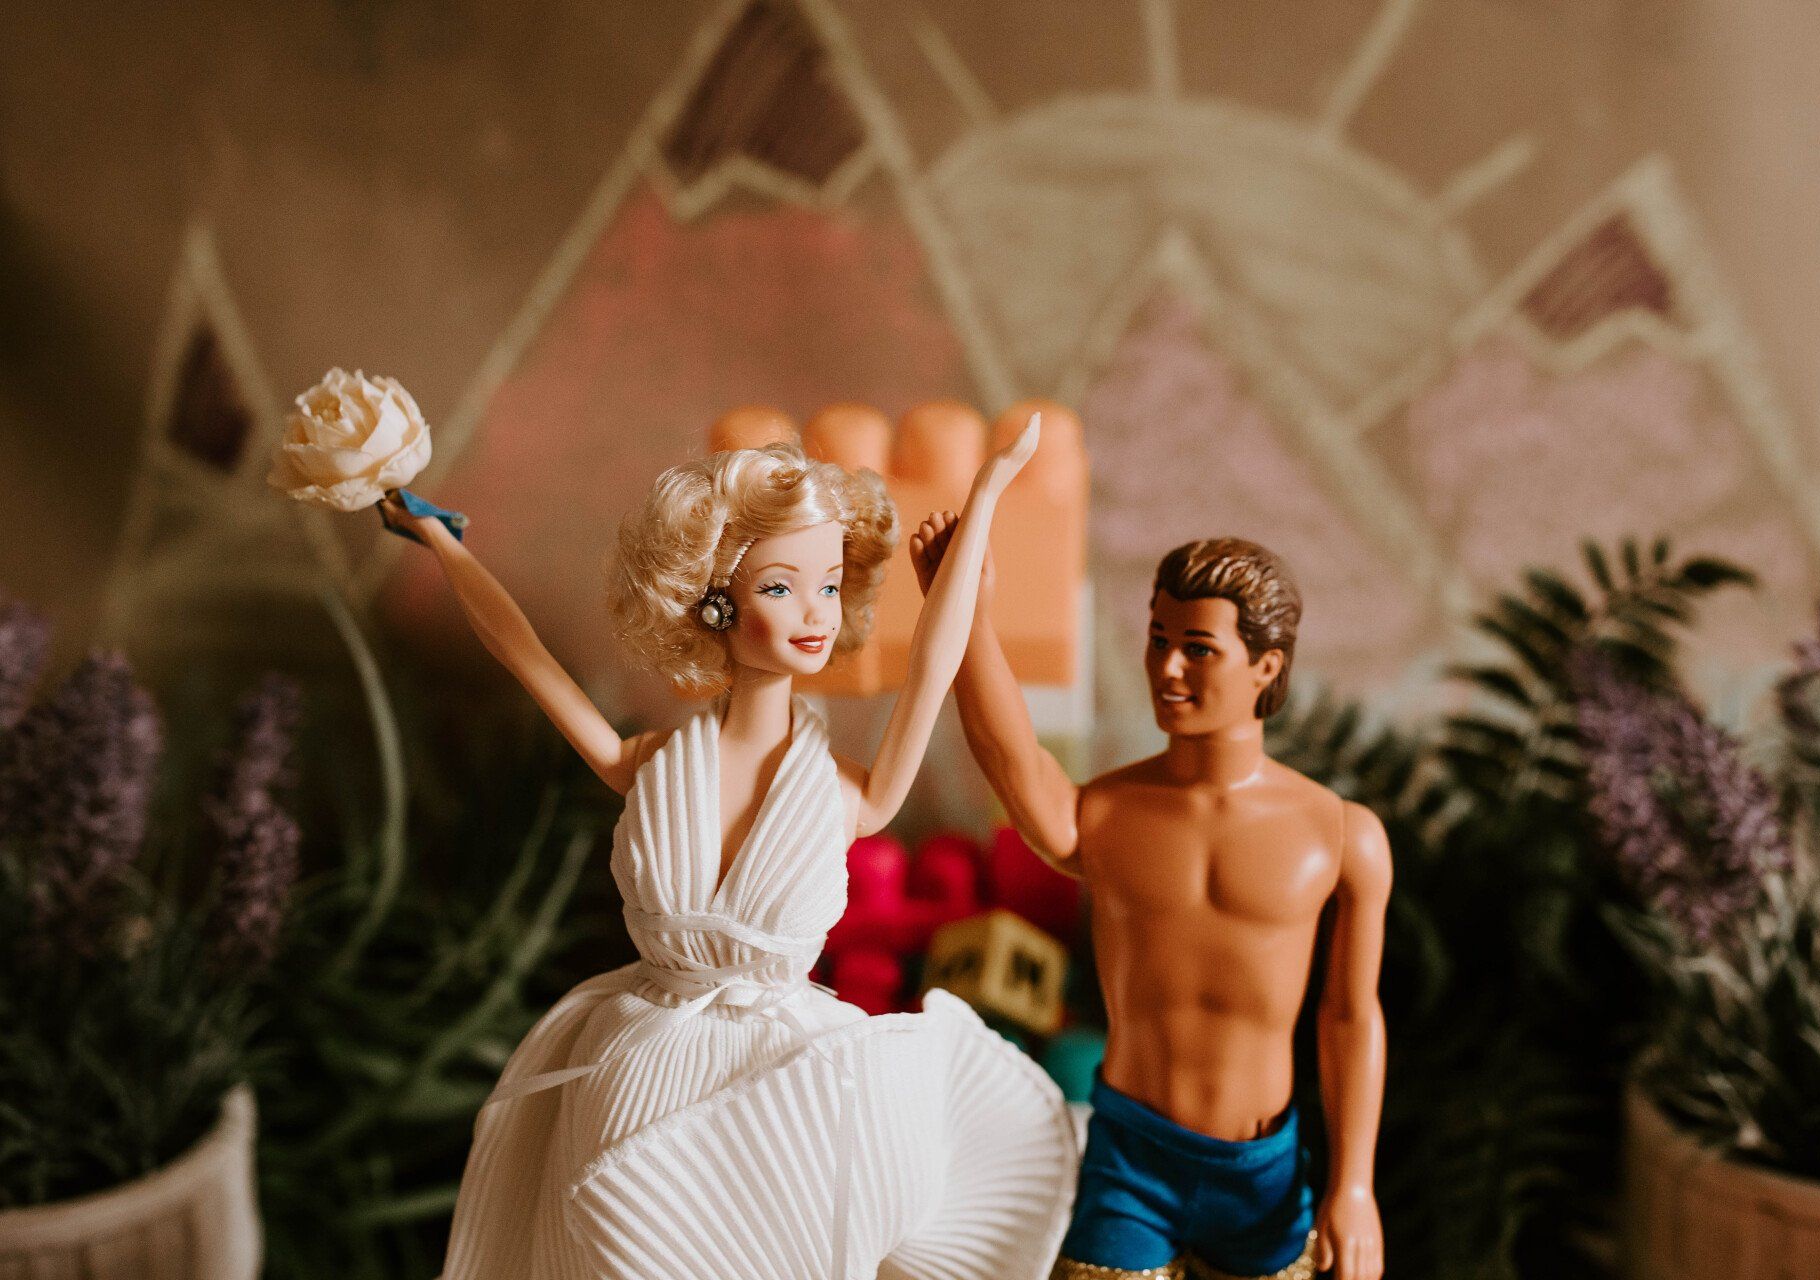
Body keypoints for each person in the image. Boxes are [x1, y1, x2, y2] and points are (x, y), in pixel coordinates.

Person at [380, 419, 1076, 1280]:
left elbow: (931, 665)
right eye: (783, 588)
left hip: (786, 1085)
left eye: (829, 586)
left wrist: (988, 494)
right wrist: (447, 549)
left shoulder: (847, 792)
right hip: (642, 1069)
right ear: (716, 599)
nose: (816, 614)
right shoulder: (648, 764)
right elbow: (527, 656)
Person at [909, 523, 1390, 1280]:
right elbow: (1012, 759)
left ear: (1266, 666)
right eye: (1157, 638)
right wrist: (966, 611)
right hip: (1131, 1162)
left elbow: (1350, 1016)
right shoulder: (1106, 815)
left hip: (1263, 1174)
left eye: (1198, 647)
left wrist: (1353, 1184)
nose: (1166, 668)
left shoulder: (1340, 836)